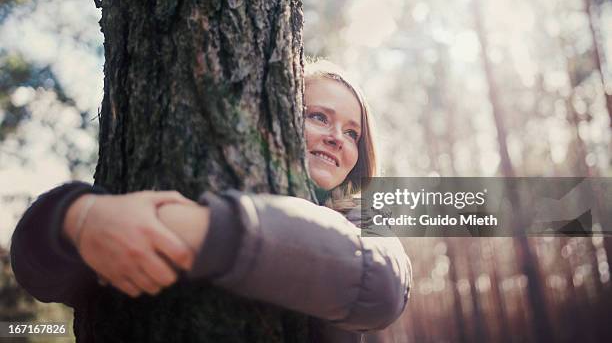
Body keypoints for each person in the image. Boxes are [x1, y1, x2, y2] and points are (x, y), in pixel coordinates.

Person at [10, 61, 412, 342]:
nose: (337, 137)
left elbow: (381, 285)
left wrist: (198, 231)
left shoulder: (363, 220)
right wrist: (78, 217)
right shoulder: (147, 175)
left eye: (353, 133)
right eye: (319, 117)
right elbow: (34, 265)